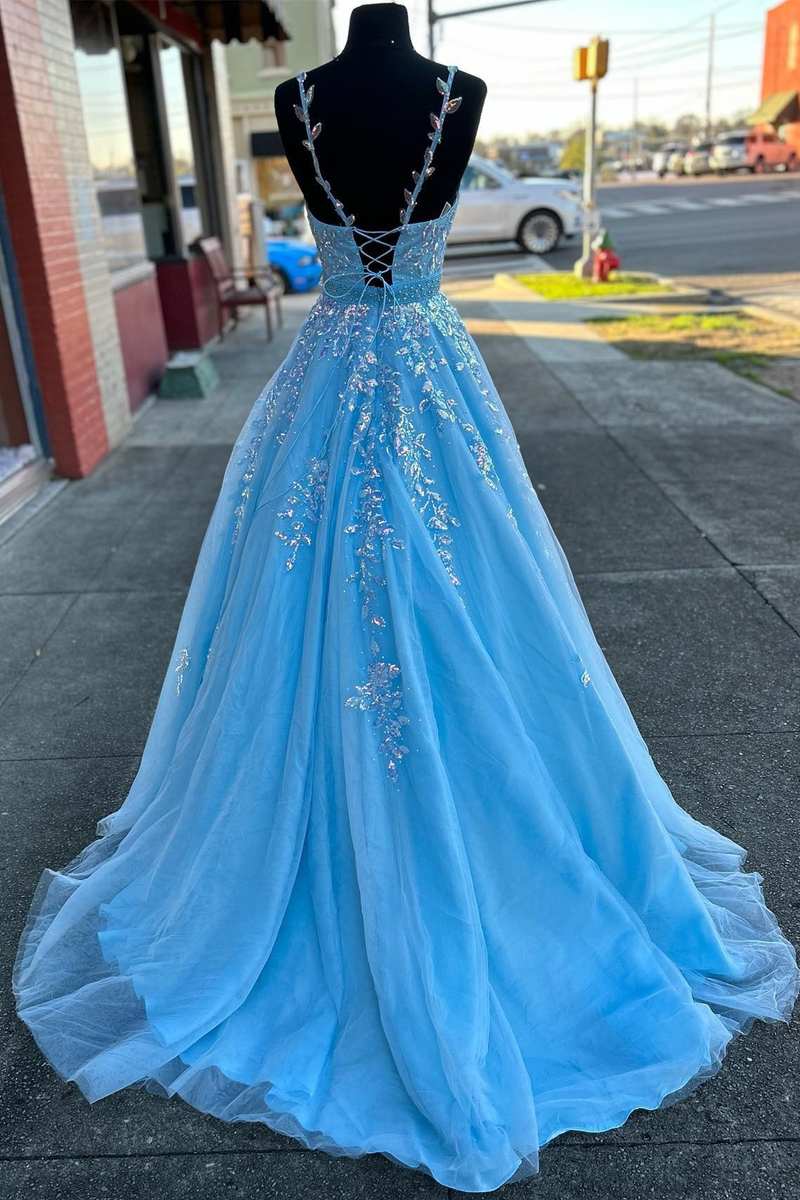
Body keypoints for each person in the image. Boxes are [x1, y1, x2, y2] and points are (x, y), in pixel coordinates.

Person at [13, 6, 799, 1193]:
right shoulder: (357, 95)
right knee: (396, 602)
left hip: (337, 378)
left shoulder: (351, 96)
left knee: (424, 601)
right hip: (422, 371)